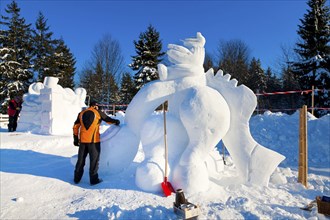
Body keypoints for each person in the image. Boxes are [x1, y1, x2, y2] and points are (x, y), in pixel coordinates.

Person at [73, 100, 120, 185]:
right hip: (94, 141)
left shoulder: (81, 113)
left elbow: (75, 127)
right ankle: (94, 180)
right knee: (94, 161)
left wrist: (76, 138)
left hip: (83, 142)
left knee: (80, 160)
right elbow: (108, 120)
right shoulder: (98, 112)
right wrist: (116, 121)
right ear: (96, 106)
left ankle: (76, 178)